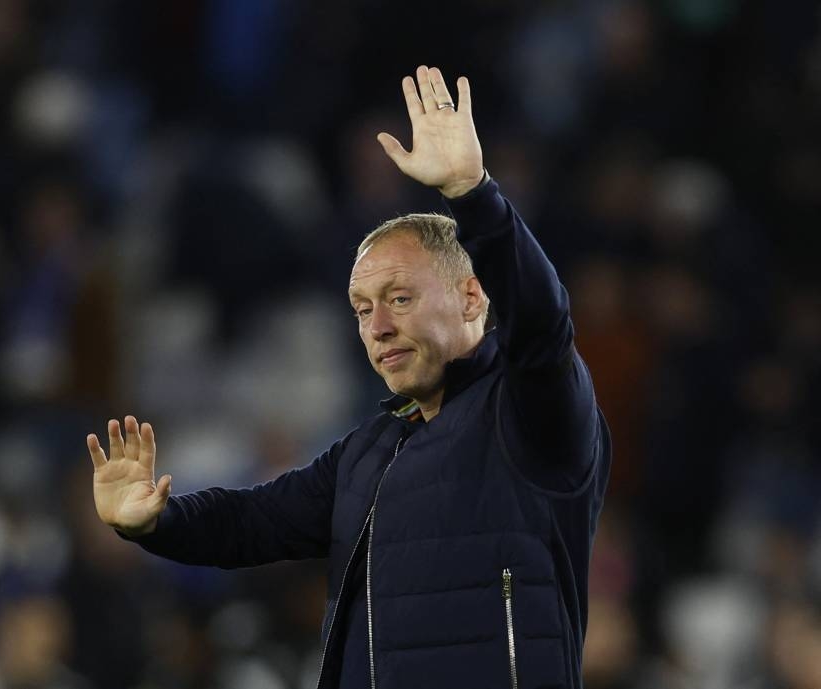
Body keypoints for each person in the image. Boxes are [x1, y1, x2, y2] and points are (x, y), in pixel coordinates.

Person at [87, 65, 611, 689]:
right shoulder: (368, 452)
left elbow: (543, 326)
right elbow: (252, 523)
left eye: (399, 298)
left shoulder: (532, 410)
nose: (377, 327)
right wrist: (157, 521)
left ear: (473, 298)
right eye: (362, 309)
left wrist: (474, 195)